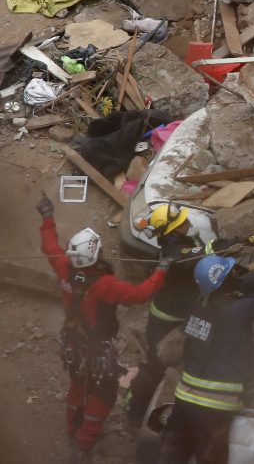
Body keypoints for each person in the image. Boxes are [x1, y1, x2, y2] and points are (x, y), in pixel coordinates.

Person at [36, 193, 169, 463]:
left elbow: (50, 246)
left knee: (78, 384)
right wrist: (163, 270)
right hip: (96, 349)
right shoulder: (105, 285)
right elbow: (140, 294)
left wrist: (47, 218)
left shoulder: (65, 268)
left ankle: (72, 426)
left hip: (73, 343)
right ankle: (85, 441)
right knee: (104, 394)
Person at [156, 246, 254, 464]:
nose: (236, 273)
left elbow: (243, 284)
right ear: (224, 280)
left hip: (184, 397)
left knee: (172, 452)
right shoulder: (237, 310)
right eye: (231, 272)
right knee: (211, 456)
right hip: (215, 403)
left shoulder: (201, 301)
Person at [127, 204, 254, 429]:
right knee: (155, 364)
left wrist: (241, 239)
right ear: (173, 231)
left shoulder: (181, 245)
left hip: (183, 313)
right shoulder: (177, 257)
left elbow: (209, 247)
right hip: (167, 319)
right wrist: (235, 245)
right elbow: (205, 254)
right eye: (182, 222)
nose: (188, 223)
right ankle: (135, 412)